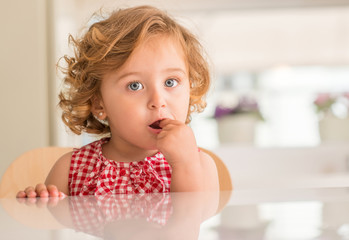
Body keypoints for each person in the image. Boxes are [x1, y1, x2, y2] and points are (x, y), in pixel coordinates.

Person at [16, 5, 219, 198]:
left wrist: (184, 165)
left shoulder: (201, 166)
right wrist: (41, 208)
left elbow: (189, 226)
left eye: (170, 82)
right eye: (134, 86)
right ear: (99, 104)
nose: (158, 101)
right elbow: (56, 233)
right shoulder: (70, 169)